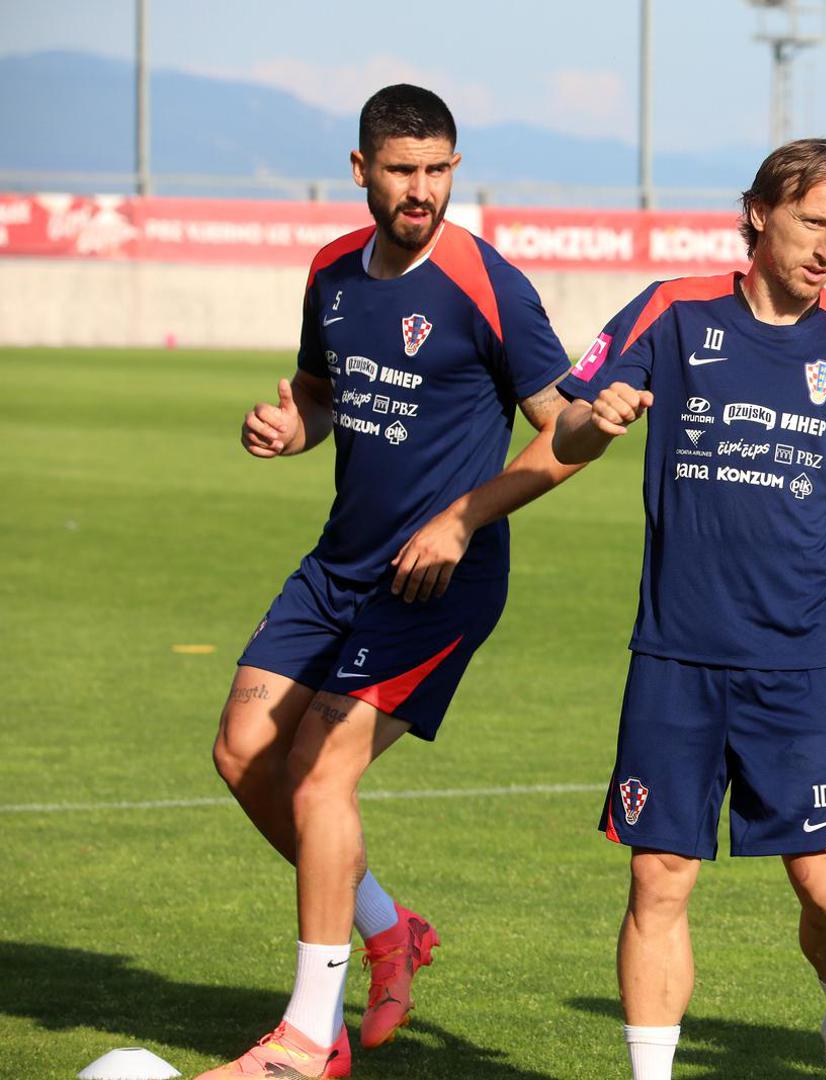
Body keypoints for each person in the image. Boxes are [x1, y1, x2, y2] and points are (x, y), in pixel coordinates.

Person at [201, 84, 580, 1078]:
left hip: (437, 584)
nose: (422, 190)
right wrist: (288, 428)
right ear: (362, 169)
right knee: (243, 753)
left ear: (455, 169)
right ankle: (387, 928)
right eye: (403, 170)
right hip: (340, 564)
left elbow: (566, 435)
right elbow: (319, 398)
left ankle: (308, 1038)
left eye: (438, 170)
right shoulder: (332, 272)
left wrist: (461, 519)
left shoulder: (488, 284)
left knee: (321, 772)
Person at [552, 138, 826, 1080]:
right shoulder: (672, 311)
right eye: (814, 222)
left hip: (800, 663)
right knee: (658, 878)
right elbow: (567, 424)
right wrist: (596, 420)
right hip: (676, 656)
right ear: (759, 213)